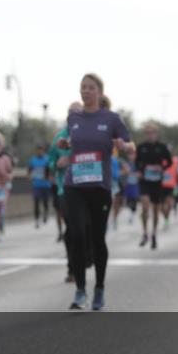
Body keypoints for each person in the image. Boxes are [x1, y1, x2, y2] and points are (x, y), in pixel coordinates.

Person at [56, 74, 134, 311]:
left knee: (98, 239)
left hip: (100, 187)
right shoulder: (74, 117)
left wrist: (123, 145)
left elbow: (131, 146)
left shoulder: (111, 119)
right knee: (77, 235)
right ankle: (80, 291)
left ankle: (99, 288)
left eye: (90, 88)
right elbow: (72, 141)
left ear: (99, 92)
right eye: (83, 88)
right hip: (75, 185)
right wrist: (66, 145)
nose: (86, 91)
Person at [48, 102, 81, 283]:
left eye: (77, 113)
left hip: (86, 187)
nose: (73, 116)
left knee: (83, 228)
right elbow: (50, 161)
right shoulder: (59, 137)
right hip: (64, 188)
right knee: (71, 227)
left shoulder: (88, 134)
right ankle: (72, 268)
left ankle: (84, 258)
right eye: (70, 113)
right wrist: (56, 164)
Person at [134, 123, 172, 250]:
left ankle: (154, 234)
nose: (150, 135)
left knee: (156, 209)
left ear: (156, 134)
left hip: (156, 181)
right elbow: (136, 162)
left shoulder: (162, 147)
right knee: (145, 206)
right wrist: (139, 171)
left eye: (152, 132)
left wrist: (162, 168)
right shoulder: (141, 147)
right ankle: (145, 233)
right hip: (145, 181)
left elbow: (170, 162)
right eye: (148, 133)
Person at [27, 145, 51, 229]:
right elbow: (29, 170)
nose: (39, 152)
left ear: (43, 151)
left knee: (45, 202)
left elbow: (50, 170)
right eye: (38, 150)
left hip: (45, 184)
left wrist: (47, 176)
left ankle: (46, 214)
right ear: (36, 151)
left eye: (41, 150)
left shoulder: (47, 159)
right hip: (36, 184)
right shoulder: (33, 160)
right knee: (36, 202)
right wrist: (29, 176)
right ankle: (37, 220)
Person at [121, 151, 140, 225]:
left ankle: (132, 215)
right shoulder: (126, 164)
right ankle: (130, 212)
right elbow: (122, 173)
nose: (131, 156)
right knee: (128, 201)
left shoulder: (138, 164)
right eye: (130, 154)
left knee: (134, 200)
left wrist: (135, 174)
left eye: (133, 155)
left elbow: (140, 173)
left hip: (135, 185)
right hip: (127, 185)